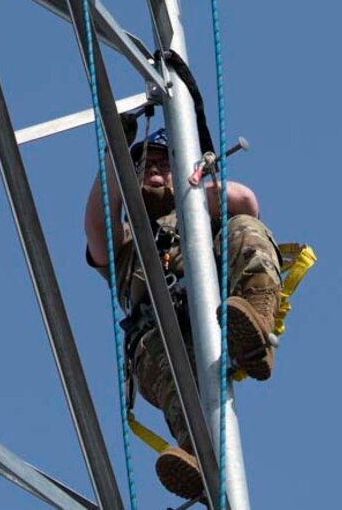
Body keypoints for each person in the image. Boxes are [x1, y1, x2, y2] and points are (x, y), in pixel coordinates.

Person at [82, 129, 281, 500]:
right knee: (176, 371)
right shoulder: (126, 243)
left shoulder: (201, 216)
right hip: (160, 338)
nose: (154, 171)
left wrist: (188, 193)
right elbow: (97, 225)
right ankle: (199, 457)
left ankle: (256, 330)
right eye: (144, 167)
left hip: (221, 314)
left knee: (246, 229)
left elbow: (245, 201)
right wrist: (114, 155)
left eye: (162, 164)